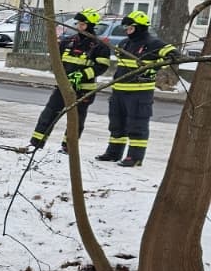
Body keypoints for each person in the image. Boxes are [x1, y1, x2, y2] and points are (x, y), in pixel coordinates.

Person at [97, 9, 177, 166]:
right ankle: (113, 153)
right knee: (116, 124)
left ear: (139, 27)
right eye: (126, 28)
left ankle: (135, 157)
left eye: (130, 28)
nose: (127, 31)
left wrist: (154, 67)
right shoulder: (125, 43)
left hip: (139, 93)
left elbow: (173, 54)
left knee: (137, 124)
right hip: (119, 91)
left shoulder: (153, 43)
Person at [29, 9, 110, 152]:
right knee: (48, 114)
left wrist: (82, 75)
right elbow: (56, 61)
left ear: (90, 26)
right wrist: (61, 76)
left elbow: (101, 67)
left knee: (76, 120)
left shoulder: (100, 46)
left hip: (84, 90)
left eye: (83, 25)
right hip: (64, 87)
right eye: (78, 24)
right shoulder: (67, 42)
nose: (79, 27)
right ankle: (36, 143)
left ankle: (68, 147)